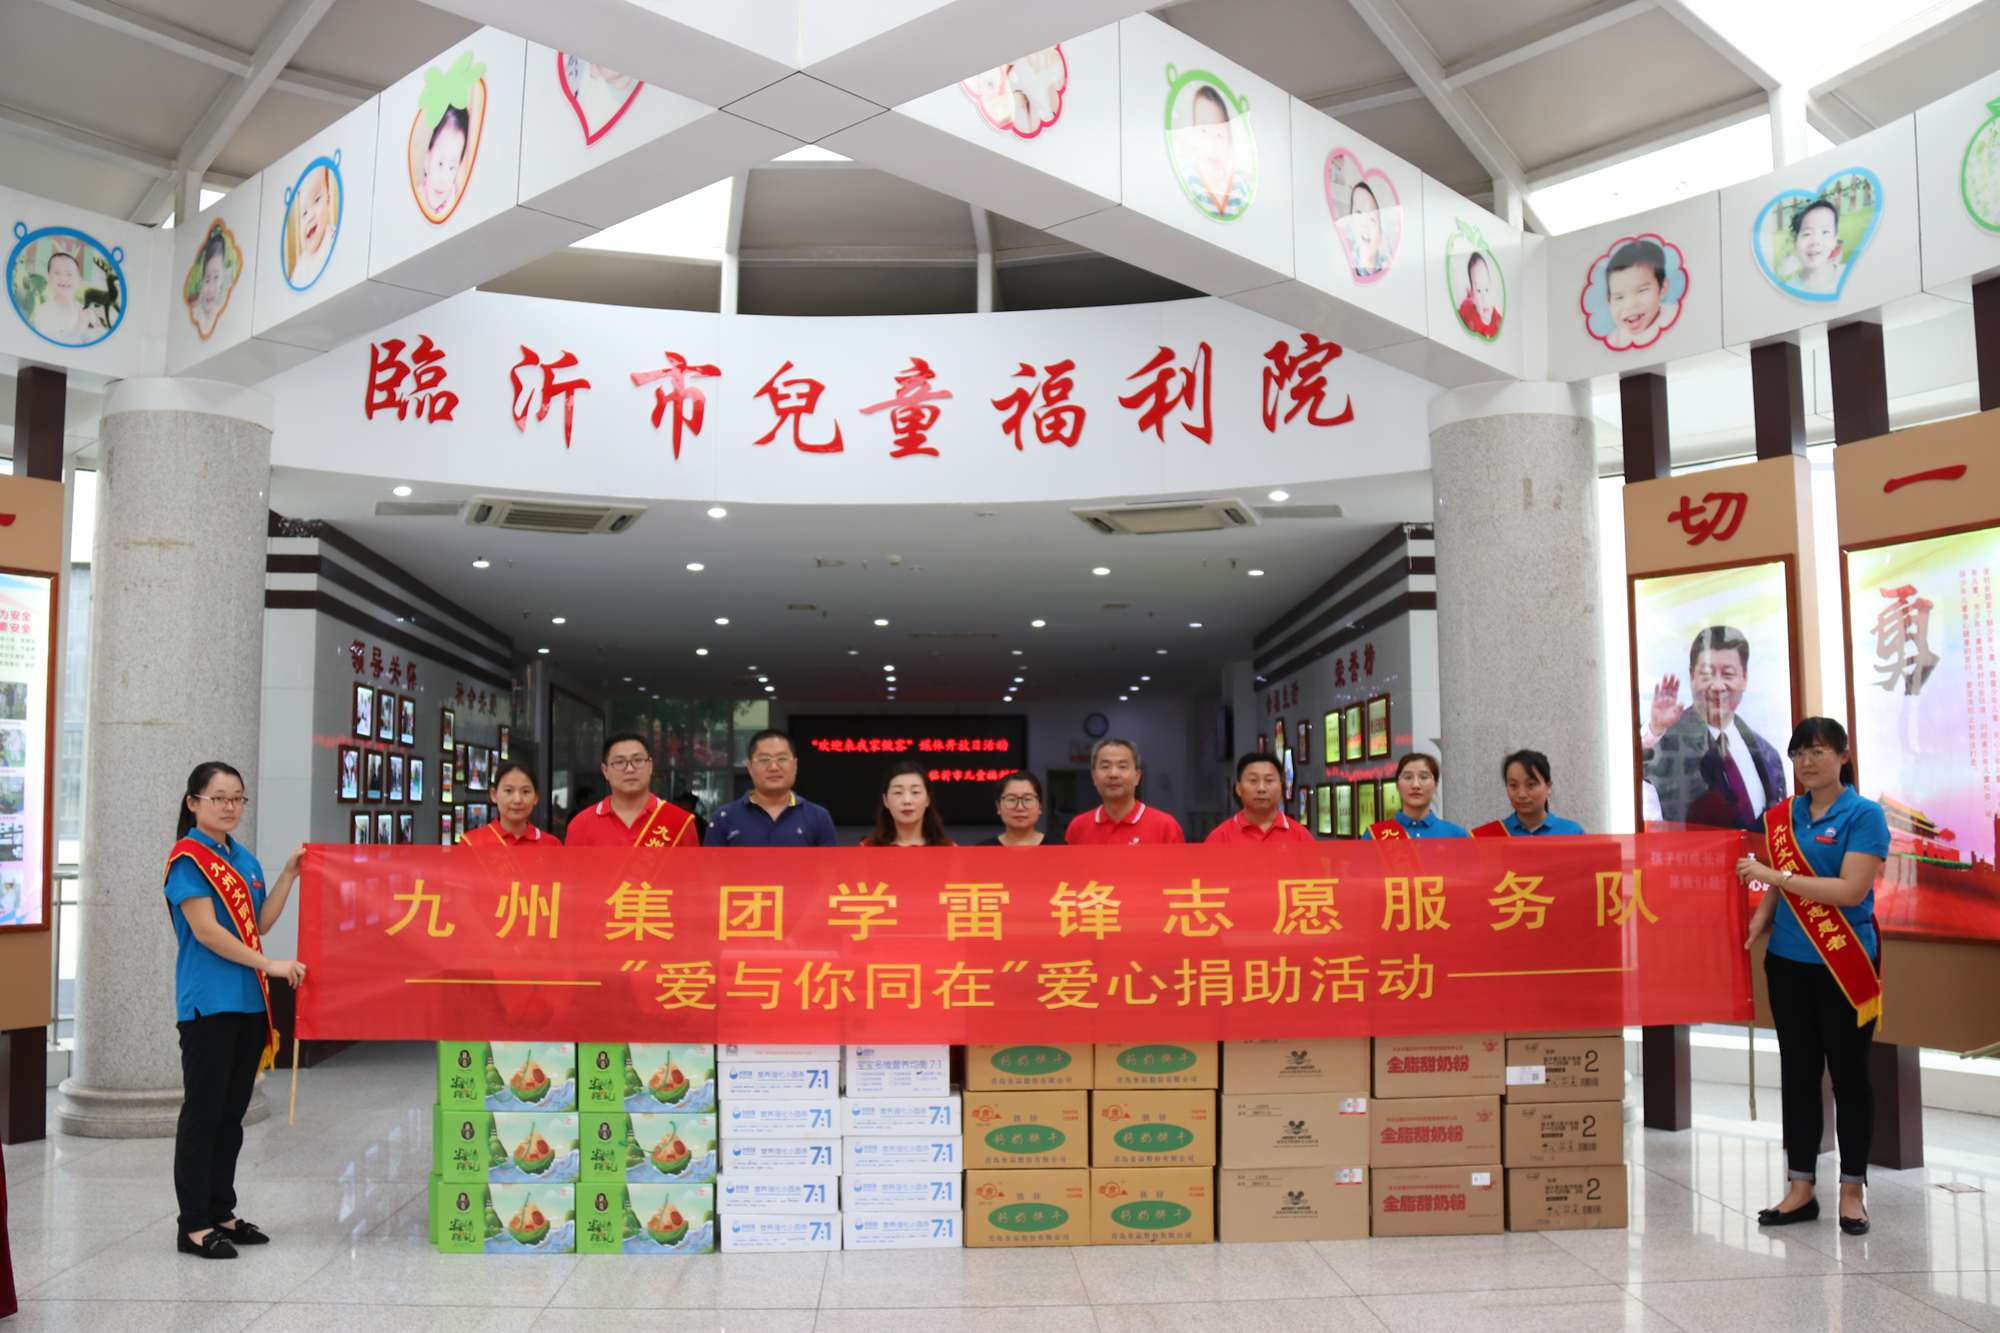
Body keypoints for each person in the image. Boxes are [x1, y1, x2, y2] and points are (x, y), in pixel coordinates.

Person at [1736, 717, 1888, 1236]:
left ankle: (1852, 1190)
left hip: (1844, 964)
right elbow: (1785, 883)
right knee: (1799, 1075)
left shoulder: (1864, 815)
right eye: (1799, 753)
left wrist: (1773, 877)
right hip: (1788, 961)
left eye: (1818, 751)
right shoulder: (1786, 815)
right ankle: (1800, 1188)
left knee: (1849, 1077)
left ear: (1843, 756)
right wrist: (1763, 913)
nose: (1807, 762)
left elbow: (1849, 891)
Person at [163, 762, 305, 1259]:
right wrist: (270, 965)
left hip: (248, 1003)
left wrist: (287, 875)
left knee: (230, 1115)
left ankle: (221, 1210)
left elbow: (259, 922)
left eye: (237, 798)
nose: (230, 807)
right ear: (193, 803)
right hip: (208, 1003)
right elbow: (207, 932)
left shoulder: (242, 858)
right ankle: (193, 1224)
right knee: (203, 1114)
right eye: (219, 797)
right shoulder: (188, 860)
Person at [1642, 626, 1786, 830]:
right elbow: (1640, 769)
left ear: (1744, 678)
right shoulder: (1668, 742)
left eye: (1728, 674)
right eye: (1707, 674)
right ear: (1692, 676)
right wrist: (1655, 729)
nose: (1718, 686)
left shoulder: (1768, 754)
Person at [704, 728, 839, 847]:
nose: (774, 767)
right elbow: (710, 867)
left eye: (782, 759)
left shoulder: (818, 817)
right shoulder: (724, 818)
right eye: (764, 760)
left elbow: (829, 867)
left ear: (795, 766)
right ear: (750, 767)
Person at [563, 733, 697, 847]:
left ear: (650, 766)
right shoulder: (580, 825)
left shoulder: (680, 822)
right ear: (605, 771)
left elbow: (692, 870)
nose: (630, 769)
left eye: (637, 760)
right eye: (619, 762)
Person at [1064, 738, 1184, 845]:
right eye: (1105, 767)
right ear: (1094, 777)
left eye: (1122, 766)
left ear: (1137, 776)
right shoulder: (1078, 827)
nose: (1113, 774)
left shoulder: (1166, 826)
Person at [1472, 750, 1586, 837]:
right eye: (1513, 785)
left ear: (1548, 787)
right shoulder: (1488, 836)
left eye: (1531, 785)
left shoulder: (1571, 833)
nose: (1521, 794)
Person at [1207, 753, 1316, 843]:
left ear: (1281, 787)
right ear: (1238, 788)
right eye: (1253, 780)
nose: (1261, 788)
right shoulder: (1220, 837)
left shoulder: (1301, 837)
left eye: (1269, 780)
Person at [1178, 84, 1250, 220]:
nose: (1212, 144)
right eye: (1204, 131)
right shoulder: (1187, 177)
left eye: (1219, 135)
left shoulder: (1239, 186)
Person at [1364, 753, 1469, 840]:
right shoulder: (1374, 836)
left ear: (1436, 784)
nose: (1415, 785)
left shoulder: (1457, 835)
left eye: (1424, 777)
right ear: (1397, 785)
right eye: (1408, 777)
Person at [462, 762, 560, 846]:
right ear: (494, 795)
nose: (517, 800)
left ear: (536, 797)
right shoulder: (470, 843)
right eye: (508, 791)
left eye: (525, 791)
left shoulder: (551, 844)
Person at [861, 762, 953, 846]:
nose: (907, 801)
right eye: (898, 792)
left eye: (915, 792)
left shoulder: (949, 849)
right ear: (885, 800)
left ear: (928, 799)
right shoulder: (867, 848)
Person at [1604, 239, 1670, 348]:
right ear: (1609, 302)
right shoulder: (1615, 341)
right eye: (1619, 297)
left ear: (1662, 288)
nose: (1630, 304)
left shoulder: (1675, 319)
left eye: (1641, 291)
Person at [284, 162, 337, 287]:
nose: (310, 216)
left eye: (317, 200)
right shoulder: (303, 261)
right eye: (304, 213)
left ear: (328, 200)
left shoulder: (332, 240)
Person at [418, 103, 472, 219]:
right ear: (427, 160)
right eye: (440, 164)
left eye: (452, 168)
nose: (443, 179)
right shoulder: (416, 199)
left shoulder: (456, 206)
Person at [980, 771, 1064, 846]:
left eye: (1027, 799)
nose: (1020, 807)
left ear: (1040, 806)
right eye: (1012, 799)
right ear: (998, 807)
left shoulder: (1059, 848)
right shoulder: (982, 851)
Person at [1779, 198, 1842, 294]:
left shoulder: (1850, 275)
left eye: (1825, 232)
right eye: (1807, 234)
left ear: (1834, 240)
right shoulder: (1788, 290)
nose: (1815, 241)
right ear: (1795, 243)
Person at [31, 249, 85, 342]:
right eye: (57, 273)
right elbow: (51, 346)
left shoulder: (84, 310)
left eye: (69, 274)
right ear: (48, 277)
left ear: (79, 279)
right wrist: (80, 325)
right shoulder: (43, 312)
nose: (63, 278)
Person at [188, 225, 230, 337]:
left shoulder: (224, 315)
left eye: (216, 278)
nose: (210, 288)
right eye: (207, 280)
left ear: (223, 278)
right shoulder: (195, 314)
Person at [1345, 180, 1387, 278]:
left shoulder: (1386, 265)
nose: (1365, 224)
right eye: (1359, 213)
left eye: (1372, 219)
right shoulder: (1346, 259)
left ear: (1381, 234)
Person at [1457, 250, 1502, 338]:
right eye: (1478, 290)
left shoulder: (1498, 323)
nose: (1484, 298)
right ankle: (1469, 293)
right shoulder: (1466, 309)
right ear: (1474, 298)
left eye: (1487, 289)